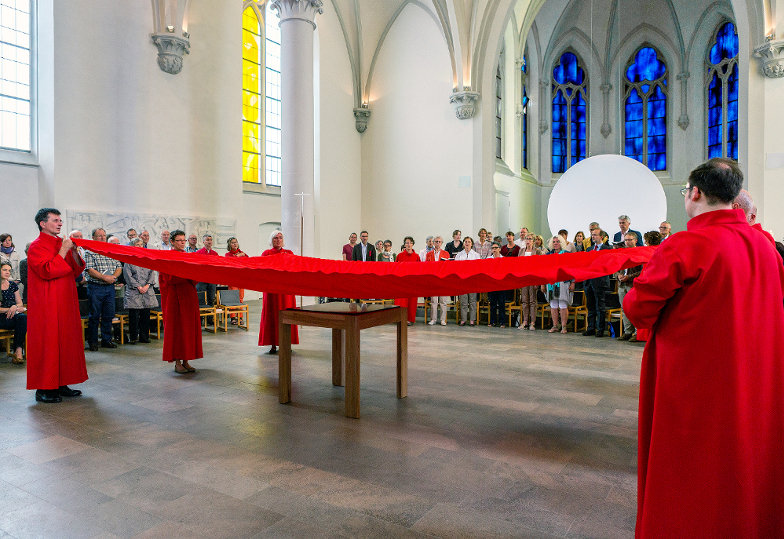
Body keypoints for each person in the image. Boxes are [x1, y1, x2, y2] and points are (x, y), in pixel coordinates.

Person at [624, 158, 784, 536]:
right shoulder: (766, 247)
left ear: (694, 193)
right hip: (755, 378)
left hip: (697, 380)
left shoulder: (687, 243)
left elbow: (638, 307)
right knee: (747, 460)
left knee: (692, 467)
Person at [26, 208, 87, 403]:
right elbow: (48, 270)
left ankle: (62, 382)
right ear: (43, 224)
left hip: (65, 299)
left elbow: (75, 269)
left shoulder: (62, 243)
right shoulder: (36, 246)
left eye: (60, 220)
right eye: (55, 220)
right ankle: (44, 387)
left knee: (66, 341)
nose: (60, 223)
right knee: (49, 342)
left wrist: (74, 251)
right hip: (47, 302)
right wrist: (63, 250)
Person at [159, 230, 202, 374]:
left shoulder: (188, 256)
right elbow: (169, 278)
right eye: (179, 240)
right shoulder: (166, 257)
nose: (182, 243)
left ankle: (186, 360)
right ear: (172, 242)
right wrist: (187, 274)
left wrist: (189, 274)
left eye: (184, 240)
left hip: (189, 295)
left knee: (188, 328)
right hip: (174, 297)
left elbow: (196, 276)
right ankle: (177, 361)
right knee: (177, 329)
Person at [259, 231, 299, 354]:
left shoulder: (289, 253)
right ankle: (272, 344)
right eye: (275, 238)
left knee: (287, 315)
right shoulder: (267, 253)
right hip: (271, 290)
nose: (278, 240)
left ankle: (286, 343)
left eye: (280, 237)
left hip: (286, 290)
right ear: (272, 240)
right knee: (272, 315)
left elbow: (294, 267)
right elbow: (261, 268)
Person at [84, 227, 122, 351]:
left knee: (108, 315)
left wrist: (113, 277)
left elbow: (119, 266)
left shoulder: (110, 250)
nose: (102, 237)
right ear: (93, 238)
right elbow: (90, 270)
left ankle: (107, 340)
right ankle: (93, 342)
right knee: (94, 316)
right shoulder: (89, 251)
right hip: (96, 287)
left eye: (104, 235)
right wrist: (104, 277)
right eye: (99, 235)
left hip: (110, 287)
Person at [123, 238, 158, 344]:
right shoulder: (129, 260)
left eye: (141, 244)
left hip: (147, 290)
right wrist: (138, 287)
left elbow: (152, 273)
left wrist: (147, 285)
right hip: (134, 291)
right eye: (137, 244)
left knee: (145, 315)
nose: (140, 246)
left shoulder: (147, 259)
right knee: (134, 316)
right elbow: (127, 275)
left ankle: (144, 336)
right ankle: (133, 337)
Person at [582, 228, 612, 337]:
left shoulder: (607, 249)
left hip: (600, 281)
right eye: (592, 235)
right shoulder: (589, 249)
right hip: (589, 281)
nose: (592, 237)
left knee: (600, 306)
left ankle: (600, 329)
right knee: (590, 306)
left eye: (595, 235)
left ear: (601, 237)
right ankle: (590, 328)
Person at [542, 236, 574, 334]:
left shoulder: (567, 254)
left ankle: (564, 326)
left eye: (558, 241)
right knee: (553, 304)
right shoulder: (548, 255)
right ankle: (555, 325)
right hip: (551, 283)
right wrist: (543, 284)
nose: (556, 243)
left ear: (562, 243)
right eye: (554, 242)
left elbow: (572, 269)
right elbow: (544, 270)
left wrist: (573, 282)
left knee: (563, 304)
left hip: (563, 283)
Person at [615, 232, 642, 342]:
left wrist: (629, 277)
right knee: (624, 308)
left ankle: (636, 332)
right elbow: (616, 267)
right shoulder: (622, 253)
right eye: (626, 240)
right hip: (622, 284)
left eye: (630, 240)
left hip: (632, 284)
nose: (627, 242)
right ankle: (627, 331)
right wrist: (618, 275)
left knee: (634, 308)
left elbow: (642, 271)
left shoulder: (640, 253)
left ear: (635, 240)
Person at [0, 262, 27, 364]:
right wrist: (9, 309)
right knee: (21, 319)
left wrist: (14, 307)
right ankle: (18, 351)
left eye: (9, 271)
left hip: (12, 316)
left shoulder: (12, 285)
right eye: (4, 270)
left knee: (23, 318)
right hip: (1, 317)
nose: (7, 272)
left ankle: (18, 350)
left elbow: (20, 303)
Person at [518, 232, 543, 331]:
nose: (528, 241)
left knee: (532, 301)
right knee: (524, 301)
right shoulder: (521, 251)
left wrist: (537, 280)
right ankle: (525, 321)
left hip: (533, 278)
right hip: (524, 278)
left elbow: (539, 267)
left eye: (530, 239)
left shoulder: (537, 251)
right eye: (526, 239)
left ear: (533, 241)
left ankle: (532, 322)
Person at [394, 236, 420, 325]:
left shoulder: (416, 257)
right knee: (401, 302)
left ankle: (410, 319)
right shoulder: (399, 256)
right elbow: (395, 269)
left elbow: (420, 270)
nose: (408, 245)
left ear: (413, 244)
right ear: (404, 245)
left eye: (410, 243)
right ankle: (400, 318)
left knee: (412, 302)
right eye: (407, 243)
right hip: (402, 282)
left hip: (413, 283)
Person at [425, 236, 451, 325]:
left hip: (443, 279)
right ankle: (433, 319)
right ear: (433, 243)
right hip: (433, 278)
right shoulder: (429, 254)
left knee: (443, 301)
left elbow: (448, 267)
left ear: (441, 243)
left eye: (439, 242)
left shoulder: (446, 253)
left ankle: (443, 319)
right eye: (436, 241)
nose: (437, 243)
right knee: (434, 301)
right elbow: (426, 266)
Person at [455, 236, 479, 325]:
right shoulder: (459, 255)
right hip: (462, 280)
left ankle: (472, 319)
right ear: (463, 244)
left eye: (469, 241)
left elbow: (478, 268)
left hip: (472, 280)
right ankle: (463, 319)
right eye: (465, 241)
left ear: (471, 244)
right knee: (463, 301)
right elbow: (456, 268)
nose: (467, 243)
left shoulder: (476, 255)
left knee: (472, 301)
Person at [225, 237, 248, 316]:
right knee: (233, 298)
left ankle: (240, 316)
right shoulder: (228, 254)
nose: (235, 244)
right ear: (229, 245)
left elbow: (248, 261)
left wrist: (242, 255)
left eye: (236, 242)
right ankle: (233, 317)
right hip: (232, 279)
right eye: (232, 242)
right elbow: (230, 263)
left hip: (241, 278)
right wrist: (238, 256)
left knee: (240, 297)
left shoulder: (243, 253)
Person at [195, 234, 220, 305]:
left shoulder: (215, 254)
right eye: (207, 240)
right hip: (201, 280)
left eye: (211, 240)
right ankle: (202, 315)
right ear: (203, 242)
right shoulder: (198, 253)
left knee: (211, 298)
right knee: (201, 298)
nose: (209, 241)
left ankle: (210, 316)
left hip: (212, 280)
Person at [486, 242, 506, 327]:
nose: (494, 250)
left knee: (501, 303)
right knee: (493, 304)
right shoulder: (488, 259)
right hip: (492, 283)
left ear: (499, 249)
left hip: (501, 284)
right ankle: (492, 321)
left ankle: (502, 322)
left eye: (496, 248)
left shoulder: (504, 259)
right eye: (493, 248)